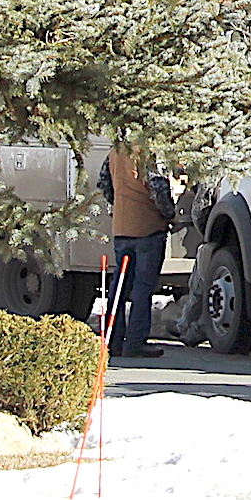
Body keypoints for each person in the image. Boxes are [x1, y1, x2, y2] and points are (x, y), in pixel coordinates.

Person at [96, 146, 176, 359]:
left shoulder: (115, 151)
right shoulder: (147, 152)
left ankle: (113, 339)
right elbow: (158, 188)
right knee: (142, 287)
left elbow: (104, 182)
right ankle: (135, 342)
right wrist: (170, 214)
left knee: (119, 286)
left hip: (122, 227)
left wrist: (121, 204)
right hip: (148, 228)